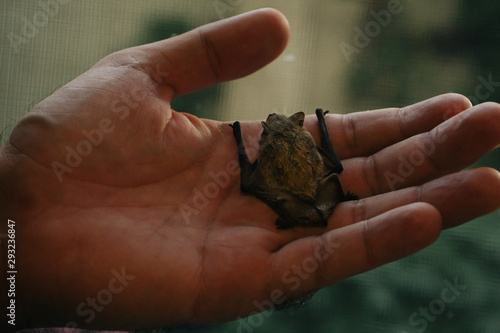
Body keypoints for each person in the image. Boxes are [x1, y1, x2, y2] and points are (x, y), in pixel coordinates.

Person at [1, 8, 499, 333]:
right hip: (304, 188)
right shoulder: (287, 156)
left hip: (298, 187)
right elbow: (303, 164)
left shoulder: (269, 156)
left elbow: (272, 169)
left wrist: (20, 248)